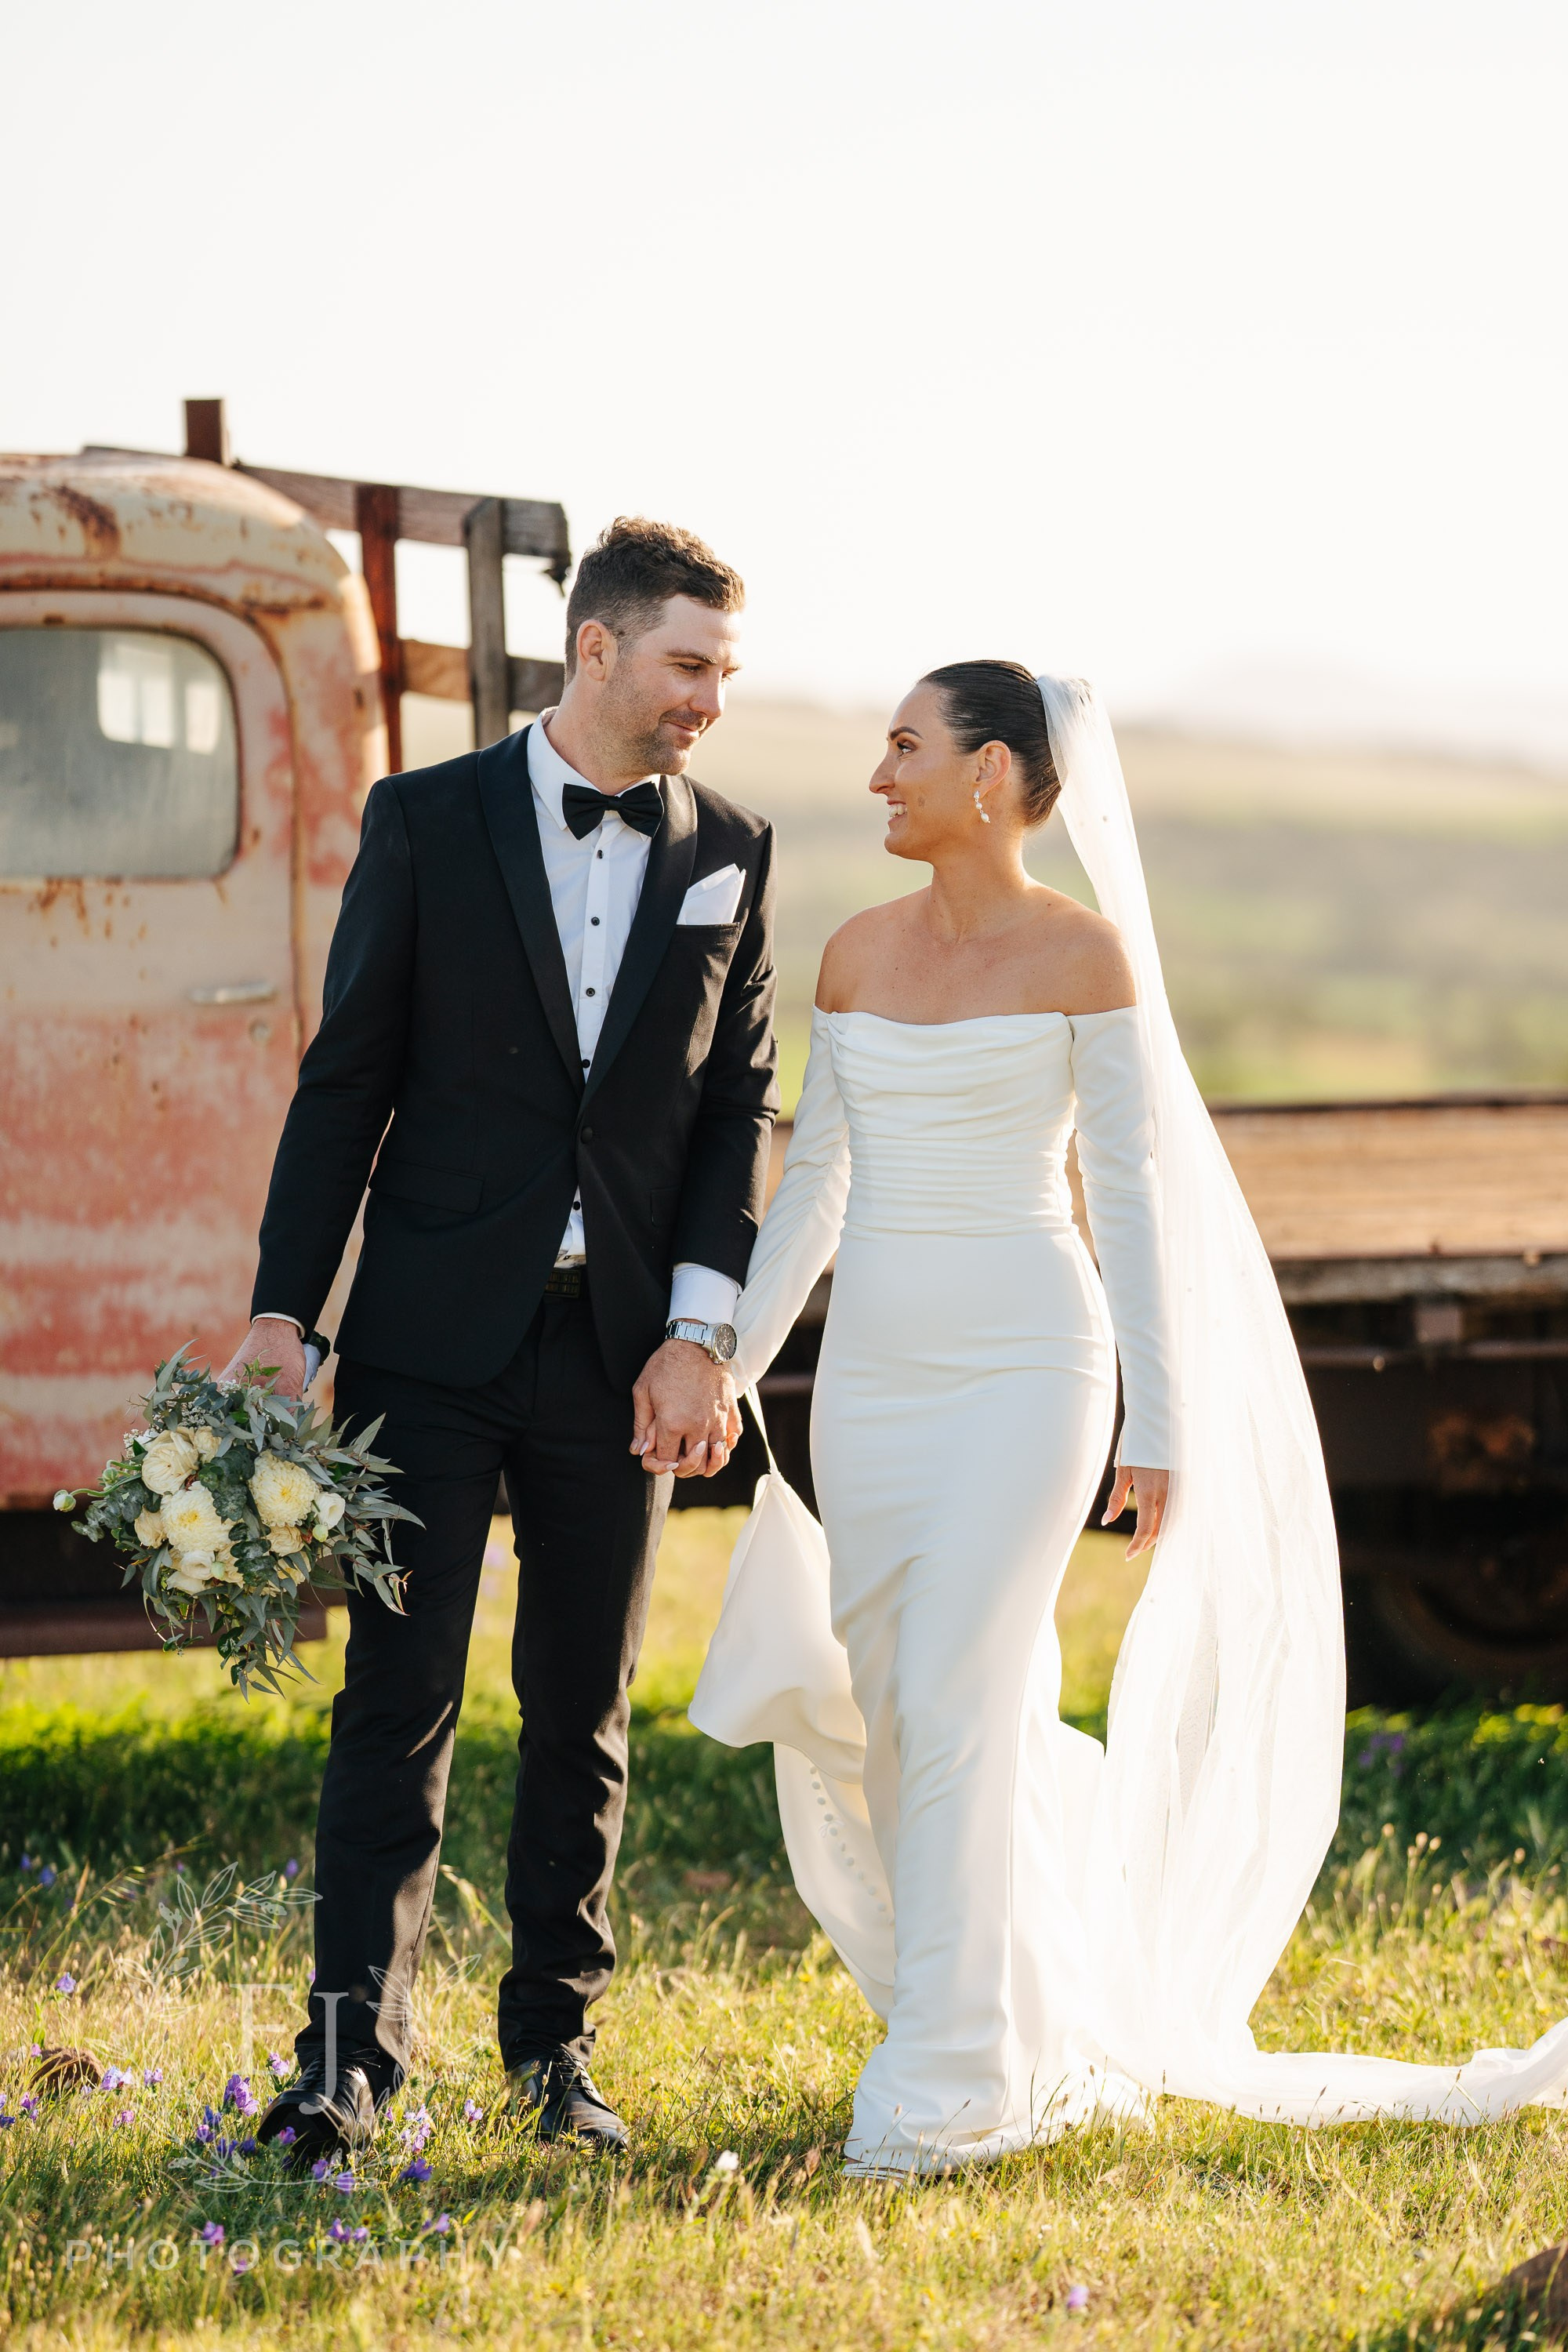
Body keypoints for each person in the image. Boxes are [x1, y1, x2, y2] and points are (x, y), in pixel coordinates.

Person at [692, 661, 1568, 2175]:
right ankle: (1016, 2002)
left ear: (989, 777)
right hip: (877, 1392)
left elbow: (1137, 1203)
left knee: (960, 1694)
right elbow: (813, 1191)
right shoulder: (852, 956)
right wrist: (724, 1359)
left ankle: (948, 2077)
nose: (878, 775)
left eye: (906, 747)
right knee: (907, 1714)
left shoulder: (1086, 957)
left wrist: (1155, 1423)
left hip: (1034, 1370)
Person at [220, 517, 779, 2163]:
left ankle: (552, 2053)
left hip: (622, 1352)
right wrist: (282, 1308)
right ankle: (345, 2066)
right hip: (426, 1343)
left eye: (725, 675)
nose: (709, 704)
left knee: (581, 1708)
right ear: (597, 650)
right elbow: (347, 1090)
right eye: (689, 665)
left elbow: (735, 1107)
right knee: (396, 1699)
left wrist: (699, 1332)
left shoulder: (733, 842)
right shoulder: (426, 820)